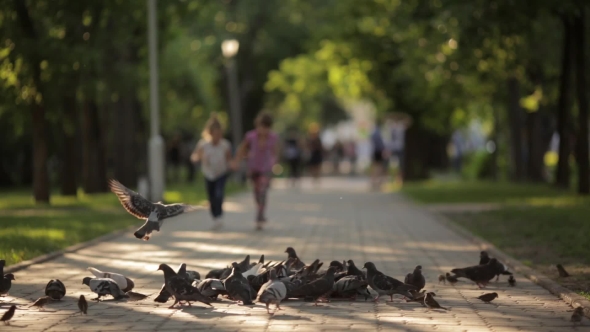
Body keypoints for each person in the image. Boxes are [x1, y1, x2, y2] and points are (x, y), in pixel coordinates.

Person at [233, 112, 279, 230]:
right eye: (261, 126)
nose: (263, 130)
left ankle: (260, 215)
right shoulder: (251, 136)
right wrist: (237, 161)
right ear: (257, 125)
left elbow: (274, 151)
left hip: (266, 168)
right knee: (256, 192)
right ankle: (260, 210)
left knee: (263, 190)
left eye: (266, 127)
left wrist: (275, 163)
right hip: (253, 167)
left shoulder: (272, 137)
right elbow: (242, 149)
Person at [191, 114, 232, 230]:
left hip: (221, 173)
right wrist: (195, 158)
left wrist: (232, 164)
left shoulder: (225, 145)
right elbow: (196, 155)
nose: (217, 137)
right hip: (208, 174)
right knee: (212, 197)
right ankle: (215, 216)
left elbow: (229, 159)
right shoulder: (203, 145)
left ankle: (219, 216)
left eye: (219, 134)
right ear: (210, 133)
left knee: (219, 194)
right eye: (215, 134)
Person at [389, 113, 412, 185]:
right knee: (394, 164)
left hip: (399, 148)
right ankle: (394, 179)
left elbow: (409, 121)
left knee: (400, 165)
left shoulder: (400, 127)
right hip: (394, 148)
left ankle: (399, 180)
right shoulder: (393, 127)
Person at [370, 121, 387, 190]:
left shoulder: (373, 133)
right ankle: (379, 182)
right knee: (380, 167)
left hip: (375, 151)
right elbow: (382, 144)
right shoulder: (380, 133)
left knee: (375, 167)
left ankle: (374, 182)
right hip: (379, 151)